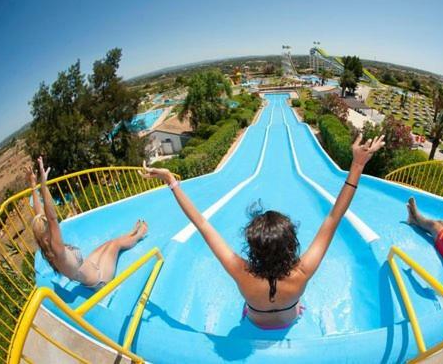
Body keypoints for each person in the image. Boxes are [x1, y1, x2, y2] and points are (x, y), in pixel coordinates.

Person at [139, 135, 385, 329]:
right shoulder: (302, 272)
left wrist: (171, 181)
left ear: (252, 247)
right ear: (291, 244)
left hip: (254, 320)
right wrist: (357, 164)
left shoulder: (240, 272)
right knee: (297, 308)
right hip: (290, 319)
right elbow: (334, 217)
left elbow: (201, 223)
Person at [28, 156, 148, 289]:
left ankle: (130, 233)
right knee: (116, 244)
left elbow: (40, 213)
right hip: (100, 279)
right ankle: (138, 235)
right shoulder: (57, 250)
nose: (52, 227)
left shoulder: (47, 248)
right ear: (46, 237)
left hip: (90, 265)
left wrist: (33, 184)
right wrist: (44, 186)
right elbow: (51, 218)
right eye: (49, 228)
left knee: (109, 242)